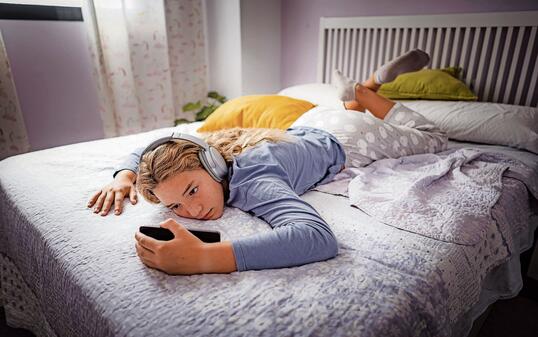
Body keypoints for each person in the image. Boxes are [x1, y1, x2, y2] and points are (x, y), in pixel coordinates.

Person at [87, 49, 447, 275]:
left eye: (192, 191)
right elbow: (158, 147)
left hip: (347, 137)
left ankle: (365, 91)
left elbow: (318, 238)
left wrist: (206, 258)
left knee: (434, 138)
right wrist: (124, 177)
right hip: (310, 123)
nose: (191, 209)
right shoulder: (204, 156)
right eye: (176, 205)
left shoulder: (256, 181)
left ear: (213, 166)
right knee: (349, 113)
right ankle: (357, 92)